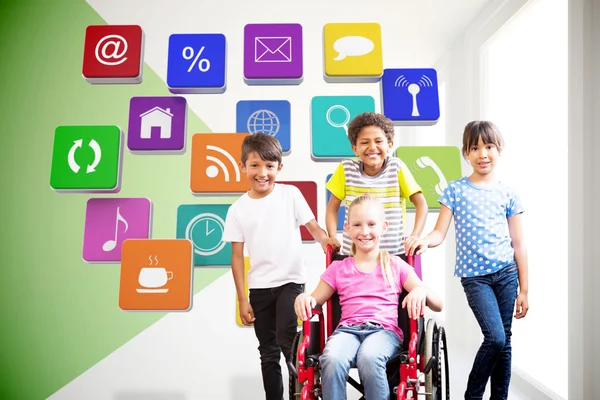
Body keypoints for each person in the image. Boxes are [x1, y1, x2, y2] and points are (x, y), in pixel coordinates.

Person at [407, 121, 530, 400]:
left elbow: (519, 244)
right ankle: (472, 395)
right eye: (475, 148)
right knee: (495, 337)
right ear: (466, 153)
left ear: (500, 150)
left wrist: (524, 289)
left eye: (488, 147)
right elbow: (439, 232)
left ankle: (499, 397)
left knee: (505, 342)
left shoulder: (508, 194)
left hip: (507, 274)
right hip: (476, 278)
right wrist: (424, 240)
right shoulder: (455, 190)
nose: (482, 154)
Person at [222, 133, 338, 400]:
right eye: (255, 165)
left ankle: (302, 392)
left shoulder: (290, 194)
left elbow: (313, 228)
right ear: (243, 167)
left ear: (279, 168)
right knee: (268, 351)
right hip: (260, 289)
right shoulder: (237, 209)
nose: (262, 173)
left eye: (269, 166)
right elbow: (237, 257)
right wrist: (242, 299)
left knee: (289, 341)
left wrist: (326, 242)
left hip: (291, 282)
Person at [295, 194, 443, 400]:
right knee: (332, 358)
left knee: (369, 357)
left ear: (384, 227)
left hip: (383, 332)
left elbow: (438, 304)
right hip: (347, 332)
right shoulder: (338, 268)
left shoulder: (395, 264)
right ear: (347, 228)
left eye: (371, 224)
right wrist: (304, 298)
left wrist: (419, 290)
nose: (364, 231)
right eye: (357, 225)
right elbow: (314, 300)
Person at [325, 112, 428, 263]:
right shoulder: (346, 168)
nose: (372, 147)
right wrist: (332, 236)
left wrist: (415, 235)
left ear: (390, 145)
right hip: (354, 255)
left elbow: (421, 204)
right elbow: (332, 208)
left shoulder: (396, 167)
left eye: (378, 141)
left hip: (392, 255)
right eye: (365, 142)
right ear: (355, 148)